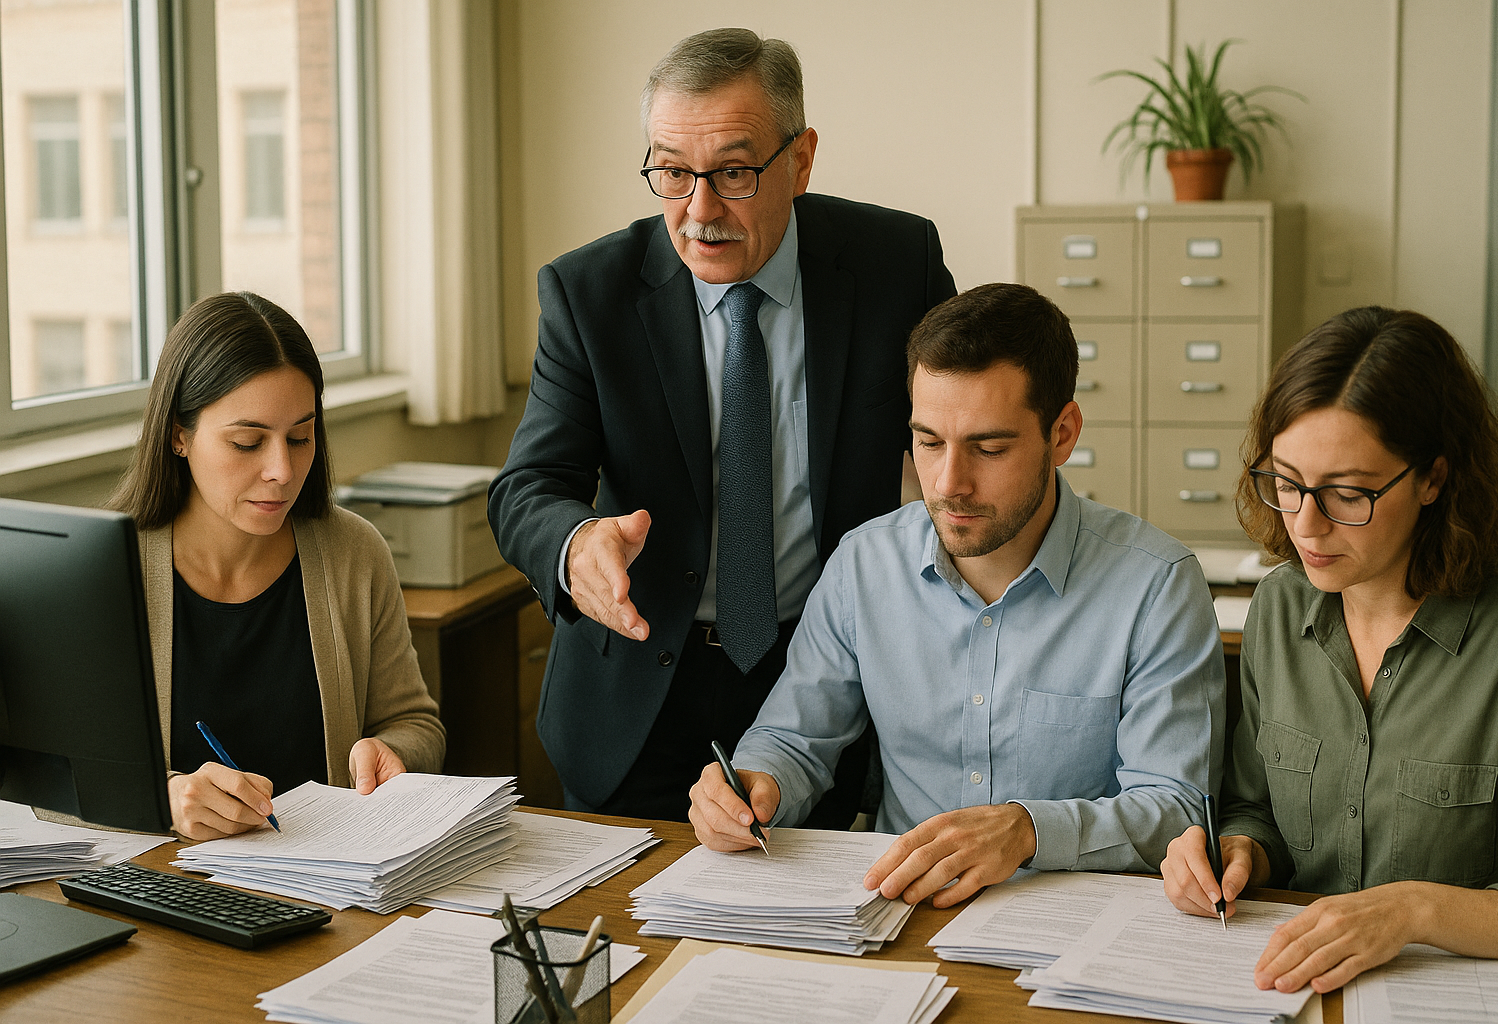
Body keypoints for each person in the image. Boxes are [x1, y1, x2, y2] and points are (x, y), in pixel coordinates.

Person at [488, 28, 955, 821]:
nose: (698, 210)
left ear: (800, 160)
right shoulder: (588, 293)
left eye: (734, 173)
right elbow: (528, 486)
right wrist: (577, 546)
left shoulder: (893, 263)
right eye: (670, 172)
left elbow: (961, 428)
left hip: (826, 677)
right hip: (636, 695)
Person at [689, 283, 1225, 907]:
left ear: (1063, 434)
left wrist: (1028, 831)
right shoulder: (865, 563)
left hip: (1077, 920)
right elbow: (794, 739)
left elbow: (1177, 805)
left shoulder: (1156, 584)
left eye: (989, 448)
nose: (948, 484)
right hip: (900, 914)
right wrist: (755, 784)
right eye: (928, 442)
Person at [1160, 306, 1498, 993]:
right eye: (1287, 482)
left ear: (1433, 479)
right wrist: (1239, 854)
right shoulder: (1277, 609)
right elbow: (1254, 808)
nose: (1305, 524)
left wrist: (1413, 910)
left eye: (1348, 493)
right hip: (1286, 985)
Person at [107, 291, 445, 840]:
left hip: (330, 882)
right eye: (247, 442)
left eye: (300, 437)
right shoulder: (109, 571)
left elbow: (417, 724)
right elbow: (52, 779)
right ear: (177, 435)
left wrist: (392, 751)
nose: (283, 471)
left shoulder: (354, 553)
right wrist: (159, 795)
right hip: (164, 886)